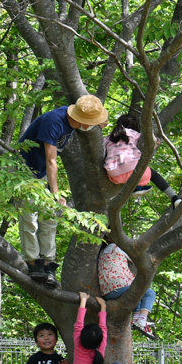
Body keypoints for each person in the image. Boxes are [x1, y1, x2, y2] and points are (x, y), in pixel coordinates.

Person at [18, 94, 109, 287]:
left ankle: (48, 263)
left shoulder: (72, 121)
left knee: (50, 216)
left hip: (41, 171)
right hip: (24, 171)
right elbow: (52, 161)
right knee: (30, 215)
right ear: (82, 120)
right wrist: (55, 193)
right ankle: (34, 263)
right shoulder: (54, 122)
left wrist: (100, 122)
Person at [103, 113, 182, 208]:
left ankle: (137, 188)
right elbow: (152, 142)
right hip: (133, 169)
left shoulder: (108, 137)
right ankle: (174, 197)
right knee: (154, 175)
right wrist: (158, 140)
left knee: (128, 173)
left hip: (113, 175)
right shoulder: (133, 133)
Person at [69, 292, 129, 364]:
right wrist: (103, 306)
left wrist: (83, 300)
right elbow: (103, 327)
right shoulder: (100, 348)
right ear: (100, 340)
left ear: (81, 336)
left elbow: (79, 324)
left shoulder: (78, 344)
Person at [98, 237, 158, 339]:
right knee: (150, 293)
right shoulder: (117, 248)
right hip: (119, 287)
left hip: (107, 292)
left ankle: (135, 320)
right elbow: (137, 259)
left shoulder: (101, 253)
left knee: (136, 296)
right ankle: (142, 321)